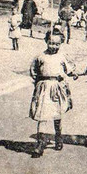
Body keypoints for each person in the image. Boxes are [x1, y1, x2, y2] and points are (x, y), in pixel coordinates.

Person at [29, 29, 78, 158]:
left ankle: (58, 136)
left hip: (57, 87)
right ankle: (40, 143)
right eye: (51, 43)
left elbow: (69, 69)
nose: (53, 46)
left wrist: (73, 73)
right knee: (42, 115)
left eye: (56, 44)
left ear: (61, 43)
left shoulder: (62, 57)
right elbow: (33, 71)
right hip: (44, 87)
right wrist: (38, 83)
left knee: (57, 114)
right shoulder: (40, 57)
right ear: (46, 41)